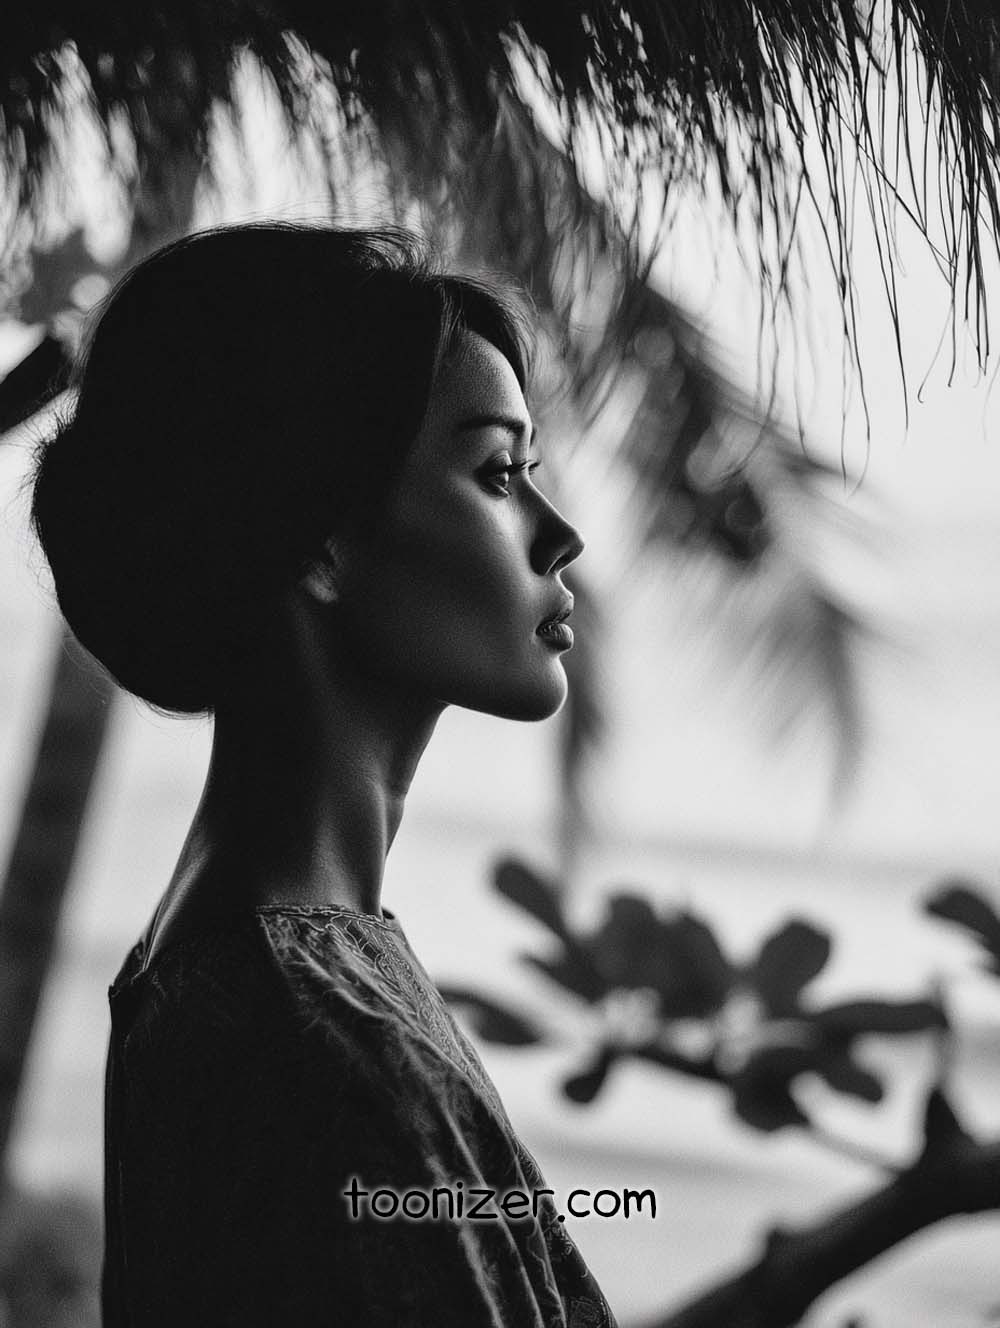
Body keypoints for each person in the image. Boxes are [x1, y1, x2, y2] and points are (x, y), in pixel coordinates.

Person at [29, 223, 615, 1326]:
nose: (561, 535)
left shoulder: (234, 959)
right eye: (497, 472)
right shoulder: (330, 1048)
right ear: (322, 539)